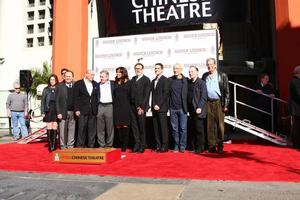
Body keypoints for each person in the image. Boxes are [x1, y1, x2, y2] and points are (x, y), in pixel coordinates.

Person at [202, 58, 229, 154]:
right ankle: (212, 146)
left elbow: (226, 92)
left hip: (219, 102)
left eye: (211, 64)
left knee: (220, 126)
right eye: (208, 65)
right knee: (210, 126)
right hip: (208, 103)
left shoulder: (222, 75)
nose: (209, 66)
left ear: (215, 65)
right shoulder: (205, 76)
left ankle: (220, 145)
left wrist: (225, 104)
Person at [73, 70, 99, 148]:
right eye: (91, 75)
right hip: (82, 110)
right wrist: (76, 109)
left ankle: (91, 145)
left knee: (92, 129)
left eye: (93, 75)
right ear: (86, 74)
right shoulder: (78, 84)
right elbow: (75, 98)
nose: (92, 76)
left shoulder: (95, 84)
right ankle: (80, 145)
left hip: (93, 110)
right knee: (81, 129)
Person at [130, 63, 151, 153]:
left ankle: (143, 145)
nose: (137, 70)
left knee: (141, 127)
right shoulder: (133, 79)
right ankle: (137, 144)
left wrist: (142, 108)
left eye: (139, 68)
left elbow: (146, 95)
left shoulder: (146, 80)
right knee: (134, 127)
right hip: (132, 107)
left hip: (140, 108)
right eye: (136, 68)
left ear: (142, 69)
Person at [187, 66, 207, 154]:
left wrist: (199, 107)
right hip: (191, 111)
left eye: (192, 71)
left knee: (199, 130)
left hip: (199, 110)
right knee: (193, 129)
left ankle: (200, 148)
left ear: (197, 72)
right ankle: (194, 147)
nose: (191, 73)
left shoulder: (201, 82)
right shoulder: (189, 82)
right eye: (189, 72)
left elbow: (203, 96)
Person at [151, 63, 170, 153]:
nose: (156, 69)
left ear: (162, 70)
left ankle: (164, 146)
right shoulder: (153, 80)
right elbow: (153, 95)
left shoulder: (165, 80)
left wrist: (159, 105)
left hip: (162, 108)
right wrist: (154, 105)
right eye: (155, 68)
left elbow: (165, 94)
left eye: (158, 68)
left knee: (163, 128)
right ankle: (158, 145)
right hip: (154, 108)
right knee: (156, 128)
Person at [169, 63, 188, 153]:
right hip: (172, 108)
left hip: (182, 109)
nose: (175, 70)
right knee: (174, 128)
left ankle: (182, 146)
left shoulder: (186, 80)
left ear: (181, 70)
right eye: (174, 68)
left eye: (177, 68)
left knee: (183, 128)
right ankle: (176, 145)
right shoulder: (170, 80)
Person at [55, 70, 75, 149]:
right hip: (63, 112)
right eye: (66, 76)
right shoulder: (59, 86)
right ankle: (63, 145)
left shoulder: (75, 85)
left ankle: (70, 145)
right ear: (64, 77)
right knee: (62, 130)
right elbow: (56, 101)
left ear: (72, 77)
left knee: (72, 129)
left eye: (69, 76)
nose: (68, 78)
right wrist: (58, 112)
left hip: (73, 112)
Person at [113, 67, 131, 152]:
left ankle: (124, 145)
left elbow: (131, 95)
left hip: (125, 106)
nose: (117, 74)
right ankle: (121, 143)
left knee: (125, 125)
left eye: (119, 72)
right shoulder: (115, 82)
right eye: (117, 72)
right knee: (118, 125)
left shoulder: (129, 82)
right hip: (116, 107)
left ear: (123, 73)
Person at [41, 74, 59, 152]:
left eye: (53, 80)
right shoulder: (46, 89)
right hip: (48, 109)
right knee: (49, 126)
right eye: (51, 80)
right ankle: (50, 144)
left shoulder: (58, 88)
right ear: (49, 81)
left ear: (56, 81)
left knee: (54, 126)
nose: (52, 81)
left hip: (56, 109)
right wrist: (42, 111)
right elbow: (43, 101)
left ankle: (53, 145)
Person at [97, 70, 114, 148]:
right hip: (100, 106)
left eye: (102, 77)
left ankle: (109, 144)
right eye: (100, 76)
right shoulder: (97, 85)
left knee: (110, 127)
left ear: (107, 77)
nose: (101, 78)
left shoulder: (113, 84)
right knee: (100, 127)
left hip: (109, 106)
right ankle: (101, 144)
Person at [289, 66, 300, 149]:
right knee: (297, 126)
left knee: (296, 126)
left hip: (296, 108)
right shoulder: (295, 81)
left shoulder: (294, 81)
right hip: (297, 108)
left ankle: (296, 143)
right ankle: (296, 144)